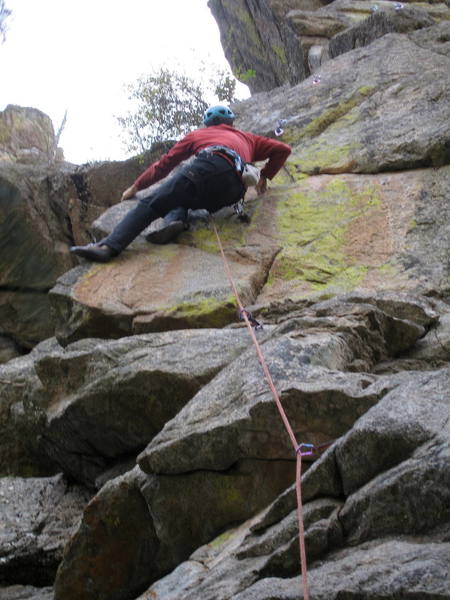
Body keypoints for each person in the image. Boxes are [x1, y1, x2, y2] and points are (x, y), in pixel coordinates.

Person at [70, 105, 291, 262]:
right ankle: (174, 221)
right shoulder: (248, 138)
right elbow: (283, 149)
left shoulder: (197, 135)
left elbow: (165, 164)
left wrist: (136, 187)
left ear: (207, 124)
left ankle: (108, 247)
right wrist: (264, 177)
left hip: (209, 167)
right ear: (231, 122)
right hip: (233, 190)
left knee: (151, 204)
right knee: (180, 198)